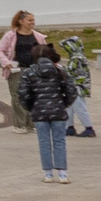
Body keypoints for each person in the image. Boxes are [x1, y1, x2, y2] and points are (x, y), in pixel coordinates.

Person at [19, 40, 77, 182]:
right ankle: (62, 173)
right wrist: (64, 104)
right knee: (59, 141)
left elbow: (23, 93)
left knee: (44, 142)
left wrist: (30, 107)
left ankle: (48, 174)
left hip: (39, 112)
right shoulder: (60, 71)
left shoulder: (28, 73)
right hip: (58, 110)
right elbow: (71, 90)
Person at [0, 10, 46, 132]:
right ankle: (19, 125)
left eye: (33, 20)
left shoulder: (38, 36)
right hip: (17, 70)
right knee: (18, 96)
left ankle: (31, 124)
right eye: (30, 20)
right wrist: (7, 63)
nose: (32, 22)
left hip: (34, 70)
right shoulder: (10, 36)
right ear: (21, 21)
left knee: (33, 96)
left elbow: (45, 51)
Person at [59, 35, 97, 138]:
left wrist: (58, 67)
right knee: (70, 107)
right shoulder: (80, 55)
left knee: (80, 107)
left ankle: (89, 128)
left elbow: (70, 71)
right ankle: (70, 127)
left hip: (77, 87)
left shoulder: (76, 57)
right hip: (80, 86)